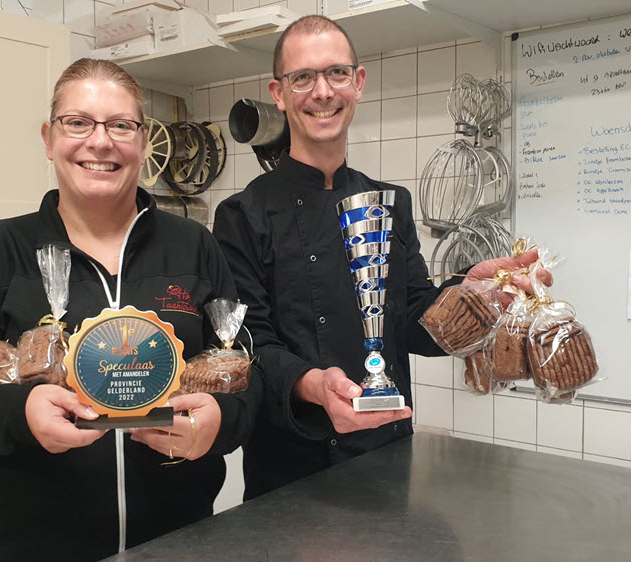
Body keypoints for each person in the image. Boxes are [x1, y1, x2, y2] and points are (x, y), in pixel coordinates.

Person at [0, 58, 259, 561]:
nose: (100, 142)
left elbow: (248, 376)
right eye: (77, 122)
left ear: (143, 143)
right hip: (34, 545)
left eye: (121, 125)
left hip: (180, 540)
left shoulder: (193, 248)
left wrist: (219, 423)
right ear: (48, 139)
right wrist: (22, 412)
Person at [213, 16, 547, 500]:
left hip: (388, 459)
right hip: (290, 473)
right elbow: (250, 348)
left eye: (336, 74)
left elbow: (412, 321)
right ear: (279, 93)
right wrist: (313, 384)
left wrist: (470, 296)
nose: (322, 92)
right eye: (302, 77)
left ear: (358, 82)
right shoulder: (243, 214)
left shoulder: (391, 202)